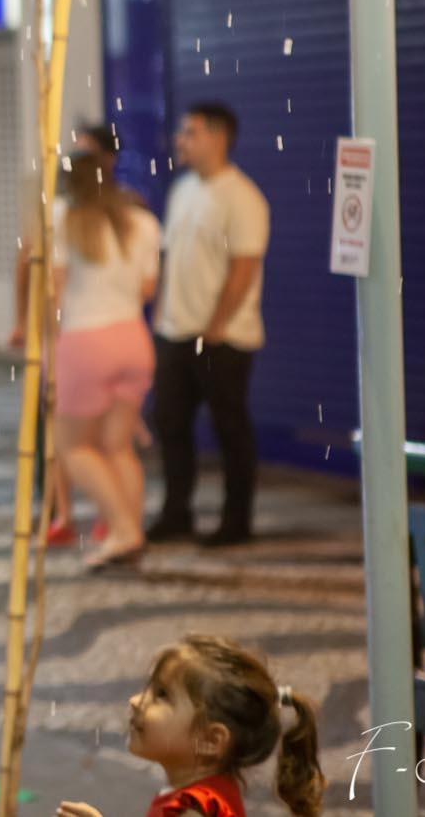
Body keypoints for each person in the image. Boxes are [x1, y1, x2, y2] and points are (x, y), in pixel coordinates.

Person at [148, 103, 270, 548]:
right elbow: (170, 258)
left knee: (229, 429)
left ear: (218, 138)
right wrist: (161, 314)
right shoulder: (182, 190)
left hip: (223, 337)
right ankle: (176, 512)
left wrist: (217, 324)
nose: (180, 140)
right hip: (175, 332)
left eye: (190, 132)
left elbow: (244, 266)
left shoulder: (243, 197)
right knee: (170, 424)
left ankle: (236, 521)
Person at [55, 633, 324, 817]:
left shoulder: (196, 808)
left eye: (162, 695)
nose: (136, 701)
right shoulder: (207, 793)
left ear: (210, 740)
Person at [51, 150, 160, 570]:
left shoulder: (63, 219)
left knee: (74, 447)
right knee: (118, 447)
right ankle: (128, 534)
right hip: (133, 338)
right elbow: (148, 288)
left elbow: (54, 291)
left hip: (85, 342)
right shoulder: (143, 222)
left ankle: (123, 530)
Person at [10, 122, 118, 547]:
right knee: (64, 431)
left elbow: (52, 278)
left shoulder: (106, 215)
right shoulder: (63, 212)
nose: (75, 163)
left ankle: (98, 516)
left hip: (79, 338)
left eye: (84, 155)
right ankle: (64, 511)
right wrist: (25, 321)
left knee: (77, 435)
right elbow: (27, 264)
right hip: (85, 336)